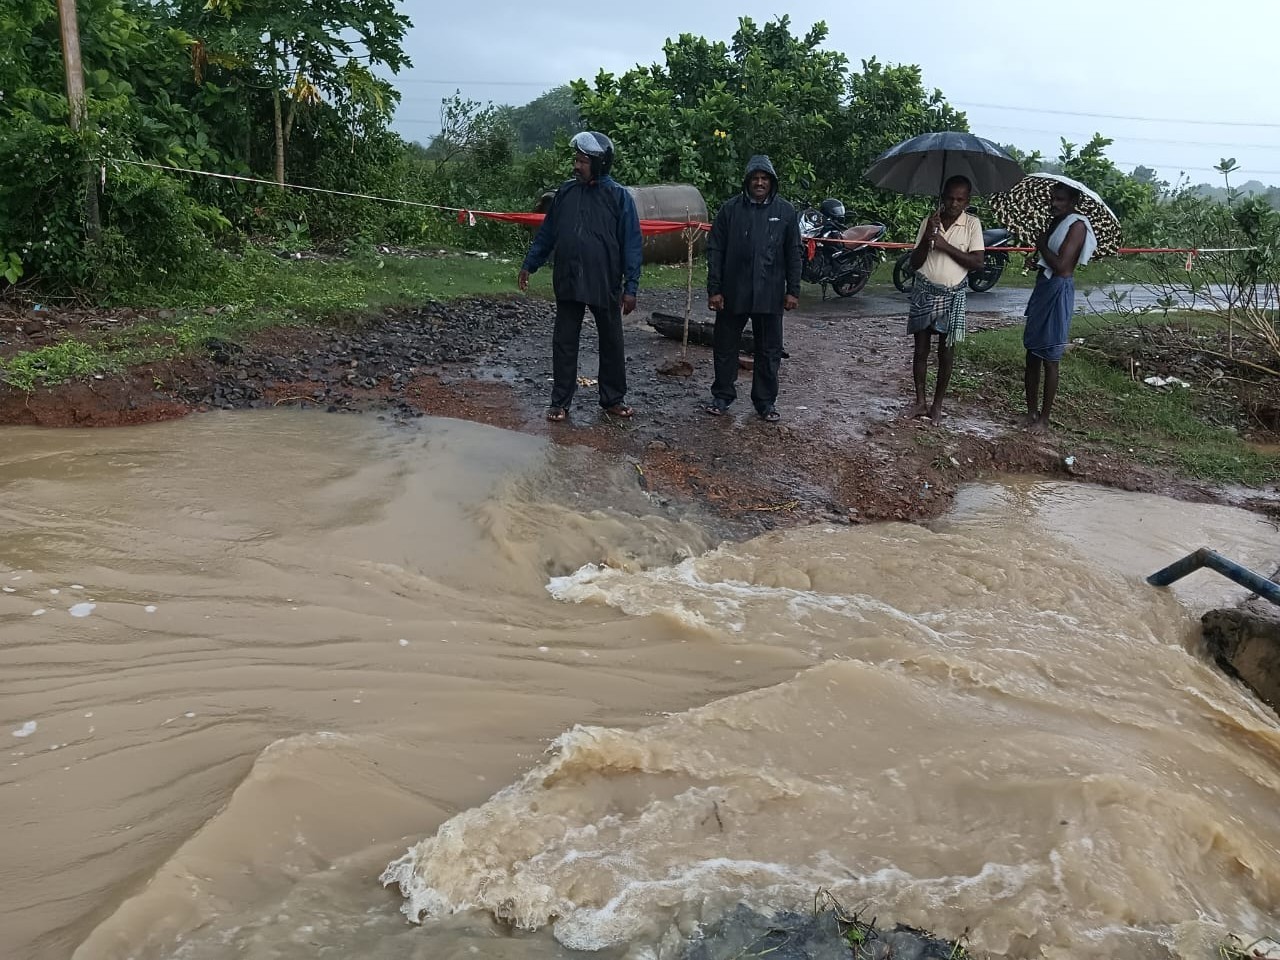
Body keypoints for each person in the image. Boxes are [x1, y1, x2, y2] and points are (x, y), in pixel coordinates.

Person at [518, 131, 642, 421]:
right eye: (576, 160)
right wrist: (529, 264)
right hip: (569, 278)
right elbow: (547, 233)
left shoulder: (619, 197)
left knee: (611, 340)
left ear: (599, 163)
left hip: (605, 281)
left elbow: (632, 244)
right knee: (564, 340)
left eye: (582, 161)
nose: (576, 166)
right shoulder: (566, 193)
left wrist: (631, 287)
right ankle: (559, 402)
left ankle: (612, 399)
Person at [705, 155, 802, 422]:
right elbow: (715, 250)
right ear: (747, 181)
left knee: (769, 351)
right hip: (733, 292)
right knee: (725, 346)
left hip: (770, 295)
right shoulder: (730, 210)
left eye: (764, 179)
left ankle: (765, 402)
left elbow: (794, 253)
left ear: (771, 182)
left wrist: (793, 290)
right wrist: (714, 289)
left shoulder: (785, 212)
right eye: (755, 178)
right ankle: (722, 396)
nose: (759, 183)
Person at [905, 175, 985, 425]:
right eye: (949, 197)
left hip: (952, 295)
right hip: (924, 291)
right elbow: (914, 263)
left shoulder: (972, 225)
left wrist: (943, 245)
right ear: (942, 197)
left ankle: (937, 405)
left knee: (946, 353)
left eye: (960, 199)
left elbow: (977, 263)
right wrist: (929, 237)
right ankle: (920, 401)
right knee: (920, 350)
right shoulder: (930, 221)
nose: (953, 203)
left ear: (967, 201)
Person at [1022, 182, 1097, 434]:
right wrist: (1037, 260)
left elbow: (1063, 266)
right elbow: (1050, 260)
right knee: (1032, 351)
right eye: (1053, 198)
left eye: (1061, 199)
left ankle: (1044, 418)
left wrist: (1041, 244)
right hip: (1043, 287)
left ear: (1073, 201)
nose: (1055, 203)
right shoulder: (1055, 222)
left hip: (1058, 290)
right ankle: (1031, 412)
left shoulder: (1077, 226)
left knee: (1050, 356)